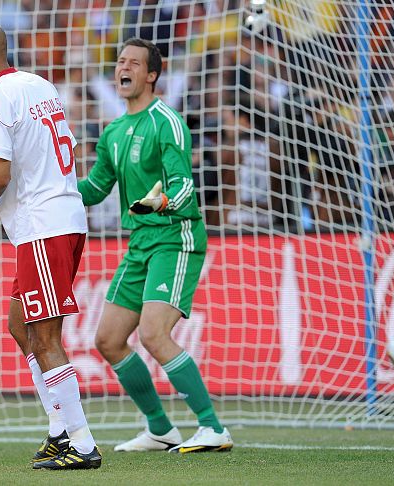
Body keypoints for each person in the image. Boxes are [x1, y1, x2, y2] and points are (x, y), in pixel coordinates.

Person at [77, 38, 233, 454]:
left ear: (151, 75)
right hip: (140, 242)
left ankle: (213, 427)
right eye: (120, 61)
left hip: (174, 235)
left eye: (133, 63)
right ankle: (161, 428)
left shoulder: (167, 121)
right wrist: (52, 190)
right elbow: (95, 188)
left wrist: (161, 202)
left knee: (153, 333)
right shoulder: (113, 132)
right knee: (109, 339)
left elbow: (184, 185)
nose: (123, 68)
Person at [0, 22, 100, 470]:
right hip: (65, 216)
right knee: (20, 327)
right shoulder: (39, 85)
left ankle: (82, 444)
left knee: (45, 337)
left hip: (43, 226)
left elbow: (0, 174)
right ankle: (59, 429)